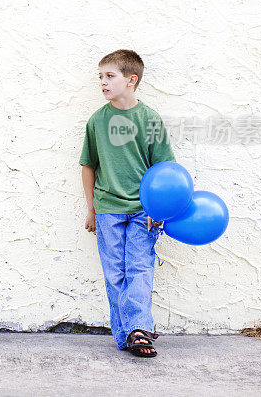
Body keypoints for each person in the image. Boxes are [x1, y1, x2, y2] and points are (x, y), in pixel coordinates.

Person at [79, 50, 175, 358]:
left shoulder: (149, 119)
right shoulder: (97, 121)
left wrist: (159, 211)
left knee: (139, 266)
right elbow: (88, 165)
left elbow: (165, 169)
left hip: (143, 210)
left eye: (110, 76)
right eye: (101, 77)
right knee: (115, 272)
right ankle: (127, 334)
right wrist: (91, 208)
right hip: (107, 209)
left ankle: (138, 330)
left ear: (131, 80)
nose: (103, 83)